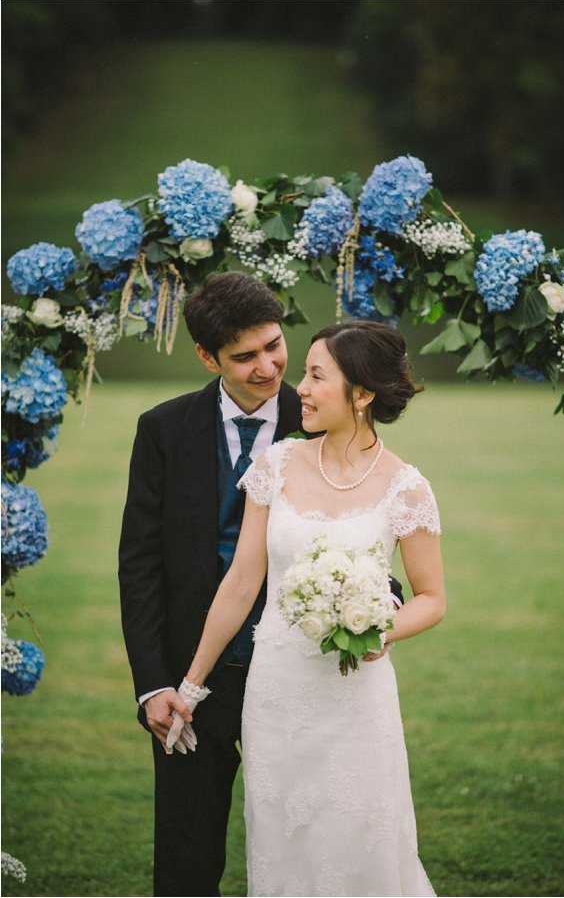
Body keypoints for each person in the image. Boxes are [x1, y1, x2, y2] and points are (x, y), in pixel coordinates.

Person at [118, 273, 406, 896]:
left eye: (274, 346)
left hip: (304, 669)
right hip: (197, 677)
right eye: (244, 356)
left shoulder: (321, 413)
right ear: (207, 357)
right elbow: (138, 565)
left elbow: (361, 522)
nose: (269, 367)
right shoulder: (162, 429)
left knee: (312, 844)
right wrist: (153, 685)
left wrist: (375, 600)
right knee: (187, 858)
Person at [167, 319, 446, 897]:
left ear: (362, 394)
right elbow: (242, 583)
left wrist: (376, 629)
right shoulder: (278, 465)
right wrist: (191, 684)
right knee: (283, 844)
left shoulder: (407, 488)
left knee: (359, 840)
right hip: (277, 694)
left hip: (355, 699)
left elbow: (431, 599)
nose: (302, 389)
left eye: (317, 376)